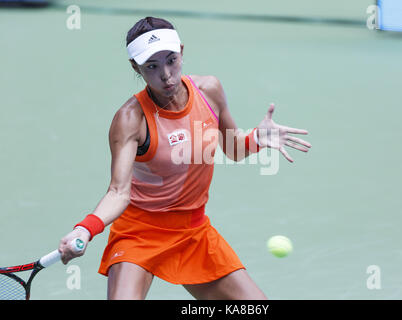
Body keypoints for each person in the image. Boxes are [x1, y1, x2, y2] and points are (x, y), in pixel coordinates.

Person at [58, 16, 311, 300]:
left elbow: (234, 149)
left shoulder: (209, 91)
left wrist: (256, 139)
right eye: (152, 66)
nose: (165, 74)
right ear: (136, 67)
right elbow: (118, 191)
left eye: (171, 60)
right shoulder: (130, 119)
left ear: (181, 51)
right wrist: (86, 228)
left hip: (193, 232)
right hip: (139, 233)